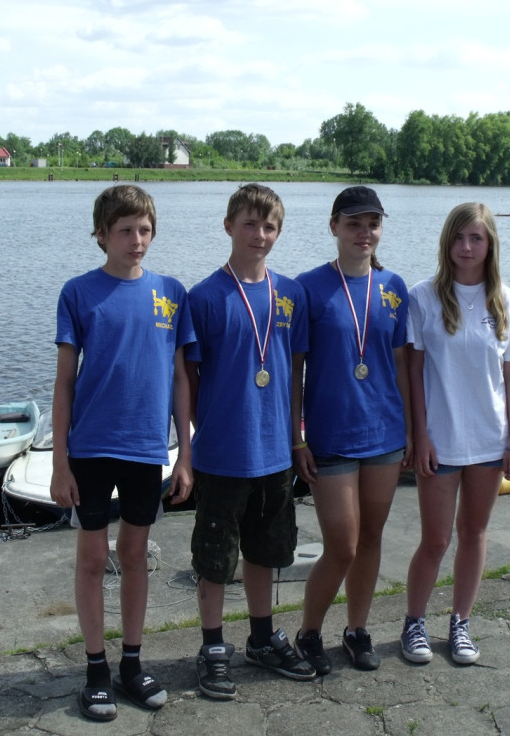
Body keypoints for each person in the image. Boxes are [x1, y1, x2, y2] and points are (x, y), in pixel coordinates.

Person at [49, 184, 195, 721]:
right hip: (89, 449)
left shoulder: (171, 293)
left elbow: (181, 378)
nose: (137, 241)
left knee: (134, 556)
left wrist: (185, 453)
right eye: (125, 231)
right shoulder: (78, 293)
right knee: (93, 559)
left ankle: (131, 663)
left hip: (144, 449)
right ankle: (95, 668)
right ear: (102, 235)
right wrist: (60, 461)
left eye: (145, 230)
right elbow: (65, 383)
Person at [185, 183, 314, 699]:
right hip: (222, 452)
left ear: (278, 233)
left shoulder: (291, 295)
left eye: (269, 227)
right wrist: (200, 437)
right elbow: (189, 381)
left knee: (266, 550)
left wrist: (297, 440)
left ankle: (261, 636)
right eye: (249, 224)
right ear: (228, 227)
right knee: (215, 556)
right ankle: (213, 645)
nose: (259, 235)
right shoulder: (205, 297)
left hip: (276, 451)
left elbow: (294, 372)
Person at [401, 201, 510, 666]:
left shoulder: (507, 302)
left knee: (474, 533)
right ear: (447, 242)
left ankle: (460, 623)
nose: (466, 247)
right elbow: (414, 376)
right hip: (440, 440)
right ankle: (414, 622)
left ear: (490, 244)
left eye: (476, 238)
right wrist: (419, 437)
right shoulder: (423, 297)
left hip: (488, 442)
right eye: (459, 237)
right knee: (436, 539)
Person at [291, 186, 412, 673]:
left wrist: (413, 432)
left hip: (384, 433)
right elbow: (295, 369)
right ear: (334, 226)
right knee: (341, 544)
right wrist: (297, 436)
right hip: (332, 436)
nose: (365, 233)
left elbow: (403, 366)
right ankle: (308, 632)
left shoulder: (393, 288)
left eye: (373, 224)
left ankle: (357, 629)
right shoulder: (308, 288)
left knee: (372, 538)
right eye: (354, 224)